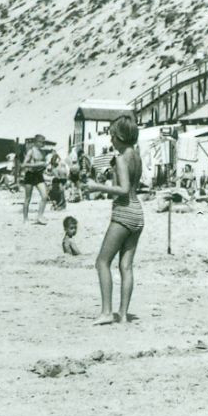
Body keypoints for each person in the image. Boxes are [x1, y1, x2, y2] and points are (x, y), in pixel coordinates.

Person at [85, 115, 144, 326]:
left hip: (124, 212)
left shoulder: (121, 158)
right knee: (126, 266)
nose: (110, 140)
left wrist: (96, 187)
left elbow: (123, 190)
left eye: (112, 136)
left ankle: (107, 312)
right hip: (138, 212)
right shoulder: (136, 156)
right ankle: (124, 315)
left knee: (102, 262)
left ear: (120, 136)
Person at [20, 138, 50, 224]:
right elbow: (23, 165)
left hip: (39, 175)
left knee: (44, 196)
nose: (43, 143)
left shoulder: (43, 152)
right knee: (28, 198)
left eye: (44, 142)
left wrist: (44, 166)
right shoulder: (31, 151)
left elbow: (43, 164)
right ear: (36, 142)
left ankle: (40, 216)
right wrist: (37, 164)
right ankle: (25, 219)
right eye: (41, 142)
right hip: (30, 175)